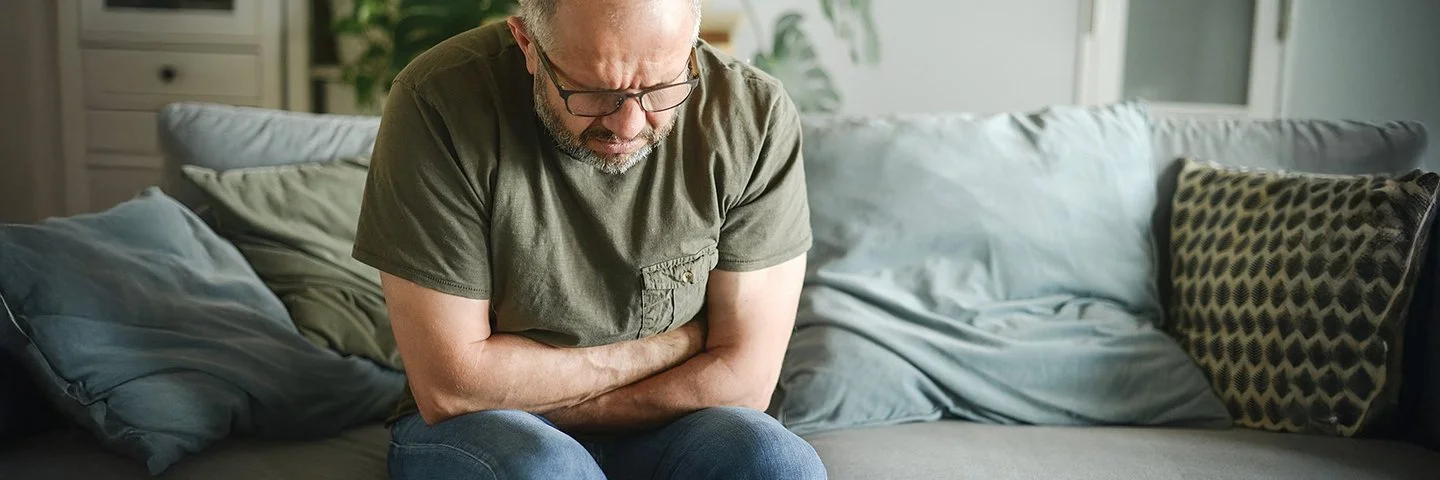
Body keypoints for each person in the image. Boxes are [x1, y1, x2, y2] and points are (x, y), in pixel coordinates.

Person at [349, 0, 826, 477]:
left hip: (678, 426)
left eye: (661, 88)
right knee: (547, 468)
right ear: (528, 45)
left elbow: (744, 383)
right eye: (596, 92)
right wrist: (672, 347)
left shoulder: (753, 115)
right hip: (485, 429)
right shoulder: (438, 100)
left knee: (778, 463)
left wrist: (526, 381)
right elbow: (454, 386)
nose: (629, 125)